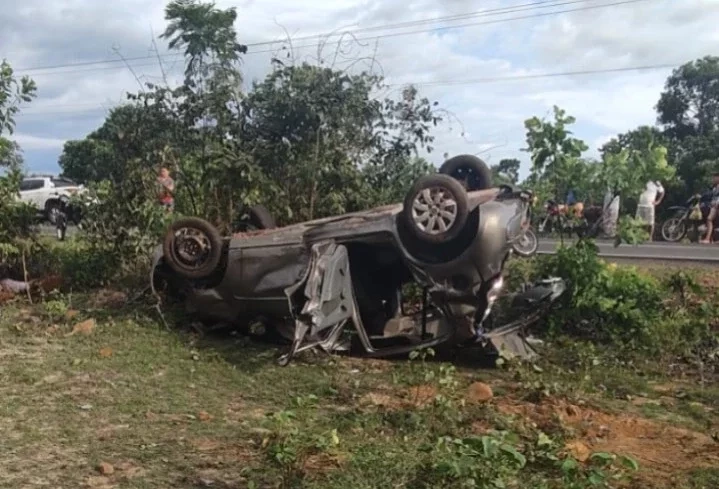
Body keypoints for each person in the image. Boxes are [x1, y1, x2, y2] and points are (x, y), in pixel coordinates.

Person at [700, 172, 719, 243]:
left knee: (709, 219)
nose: (713, 179)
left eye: (715, 177)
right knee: (712, 221)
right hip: (714, 205)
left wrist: (716, 203)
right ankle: (711, 238)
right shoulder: (715, 187)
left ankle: (707, 239)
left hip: (716, 205)